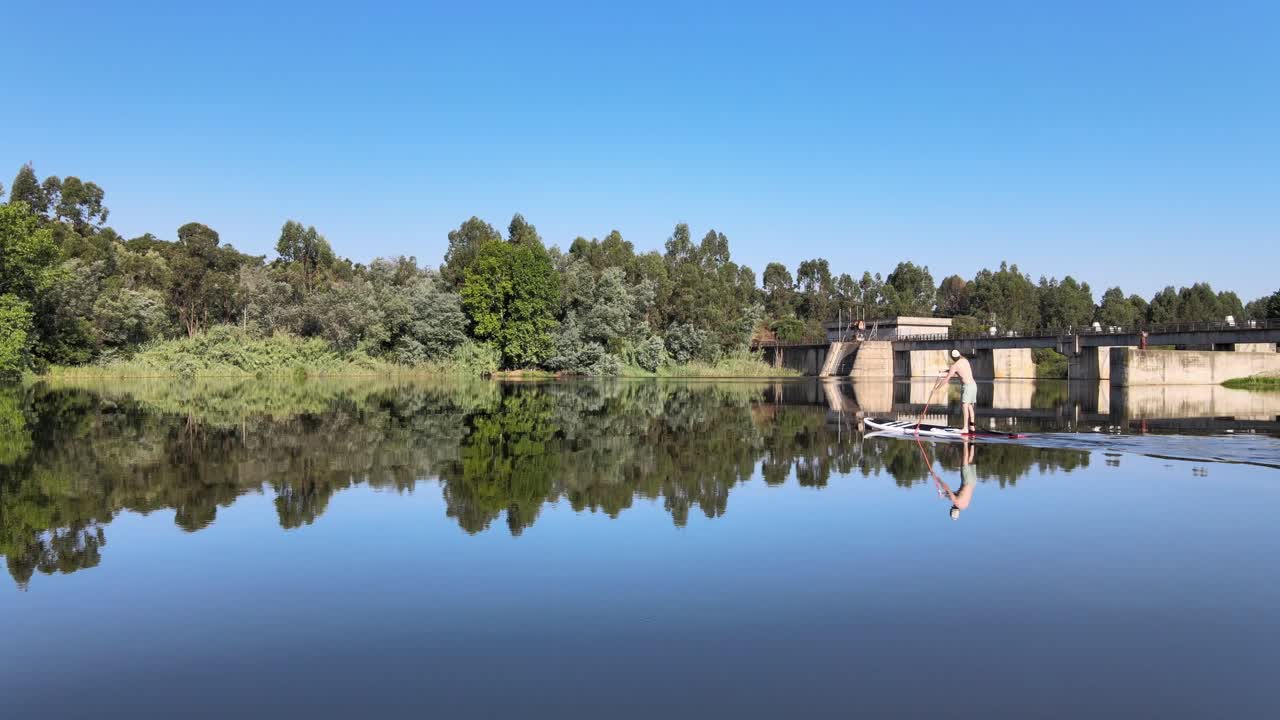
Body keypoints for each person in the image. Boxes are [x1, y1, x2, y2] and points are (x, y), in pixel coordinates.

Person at [935, 348, 977, 433]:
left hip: (967, 387)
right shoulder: (965, 360)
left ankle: (965, 428)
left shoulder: (955, 366)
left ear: (953, 358)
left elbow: (946, 379)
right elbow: (956, 370)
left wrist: (936, 389)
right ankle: (972, 427)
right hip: (974, 386)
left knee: (965, 406)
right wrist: (944, 371)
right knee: (970, 406)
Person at [935, 438, 977, 520]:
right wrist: (938, 479)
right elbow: (947, 488)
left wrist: (944, 494)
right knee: (965, 459)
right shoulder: (956, 502)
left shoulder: (964, 506)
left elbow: (958, 494)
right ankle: (966, 440)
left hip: (973, 482)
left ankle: (972, 438)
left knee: (970, 459)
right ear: (952, 509)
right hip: (967, 481)